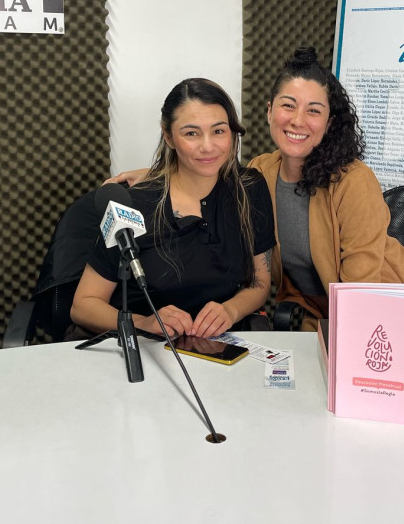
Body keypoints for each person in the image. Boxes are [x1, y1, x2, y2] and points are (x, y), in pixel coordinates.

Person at [109, 49, 404, 342]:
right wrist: (157, 174)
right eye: (288, 105)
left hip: (396, 326)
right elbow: (207, 172)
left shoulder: (353, 181)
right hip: (317, 324)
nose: (298, 120)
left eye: (313, 110)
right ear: (269, 111)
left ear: (328, 122)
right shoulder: (260, 172)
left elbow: (361, 295)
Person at [71, 78, 275, 339]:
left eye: (219, 131)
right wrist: (144, 323)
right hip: (144, 348)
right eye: (191, 133)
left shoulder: (250, 188)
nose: (208, 146)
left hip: (217, 347)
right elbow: (83, 305)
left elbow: (260, 282)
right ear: (168, 136)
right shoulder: (135, 204)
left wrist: (231, 311)